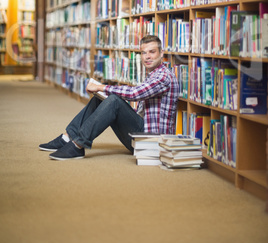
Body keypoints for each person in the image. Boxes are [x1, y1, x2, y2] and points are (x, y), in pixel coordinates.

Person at [39, 35, 179, 160]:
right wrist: (103, 92)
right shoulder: (153, 74)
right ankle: (67, 137)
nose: (147, 56)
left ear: (161, 54)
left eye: (152, 52)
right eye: (143, 53)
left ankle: (78, 144)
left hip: (153, 142)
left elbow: (134, 94)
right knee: (102, 99)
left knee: (113, 101)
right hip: (142, 134)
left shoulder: (163, 76)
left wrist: (101, 87)